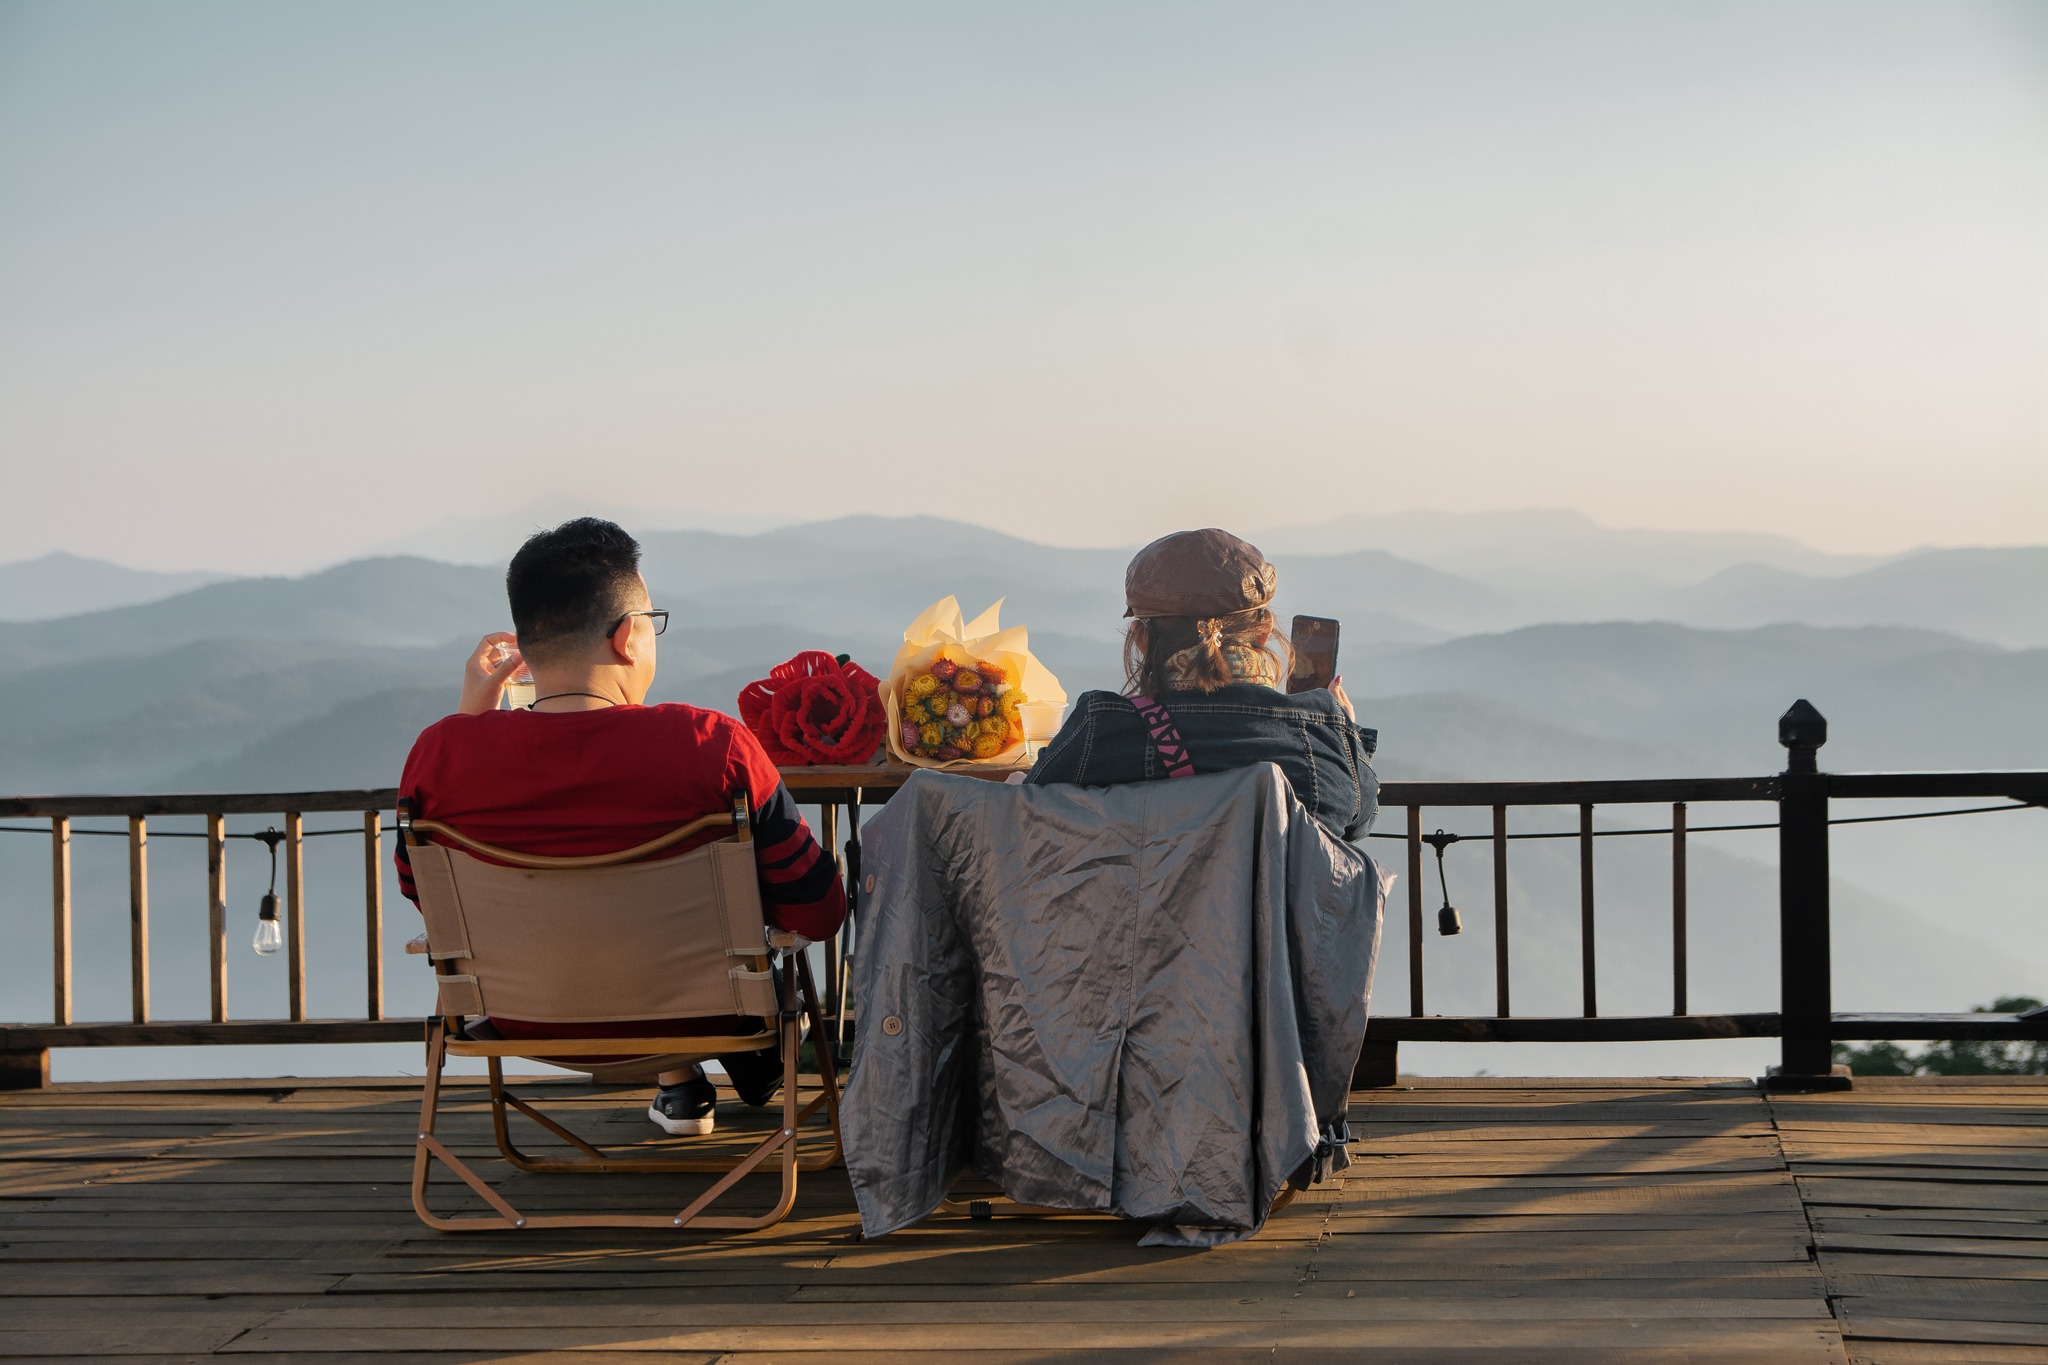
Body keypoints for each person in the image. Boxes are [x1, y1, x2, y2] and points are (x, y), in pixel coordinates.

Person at [395, 517, 846, 1137]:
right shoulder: (711, 747)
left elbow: (429, 897)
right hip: (707, 1016)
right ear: (629, 636)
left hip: (515, 1021)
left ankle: (682, 1086)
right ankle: (708, 1068)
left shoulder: (438, 755)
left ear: (526, 646)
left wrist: (470, 724)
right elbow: (818, 912)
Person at [1026, 528, 1378, 842]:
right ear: (1264, 631)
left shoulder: (1104, 728)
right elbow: (1358, 823)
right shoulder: (1322, 730)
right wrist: (1348, 732)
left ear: (1142, 639)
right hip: (1279, 917)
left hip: (1144, 916)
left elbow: (1029, 809)